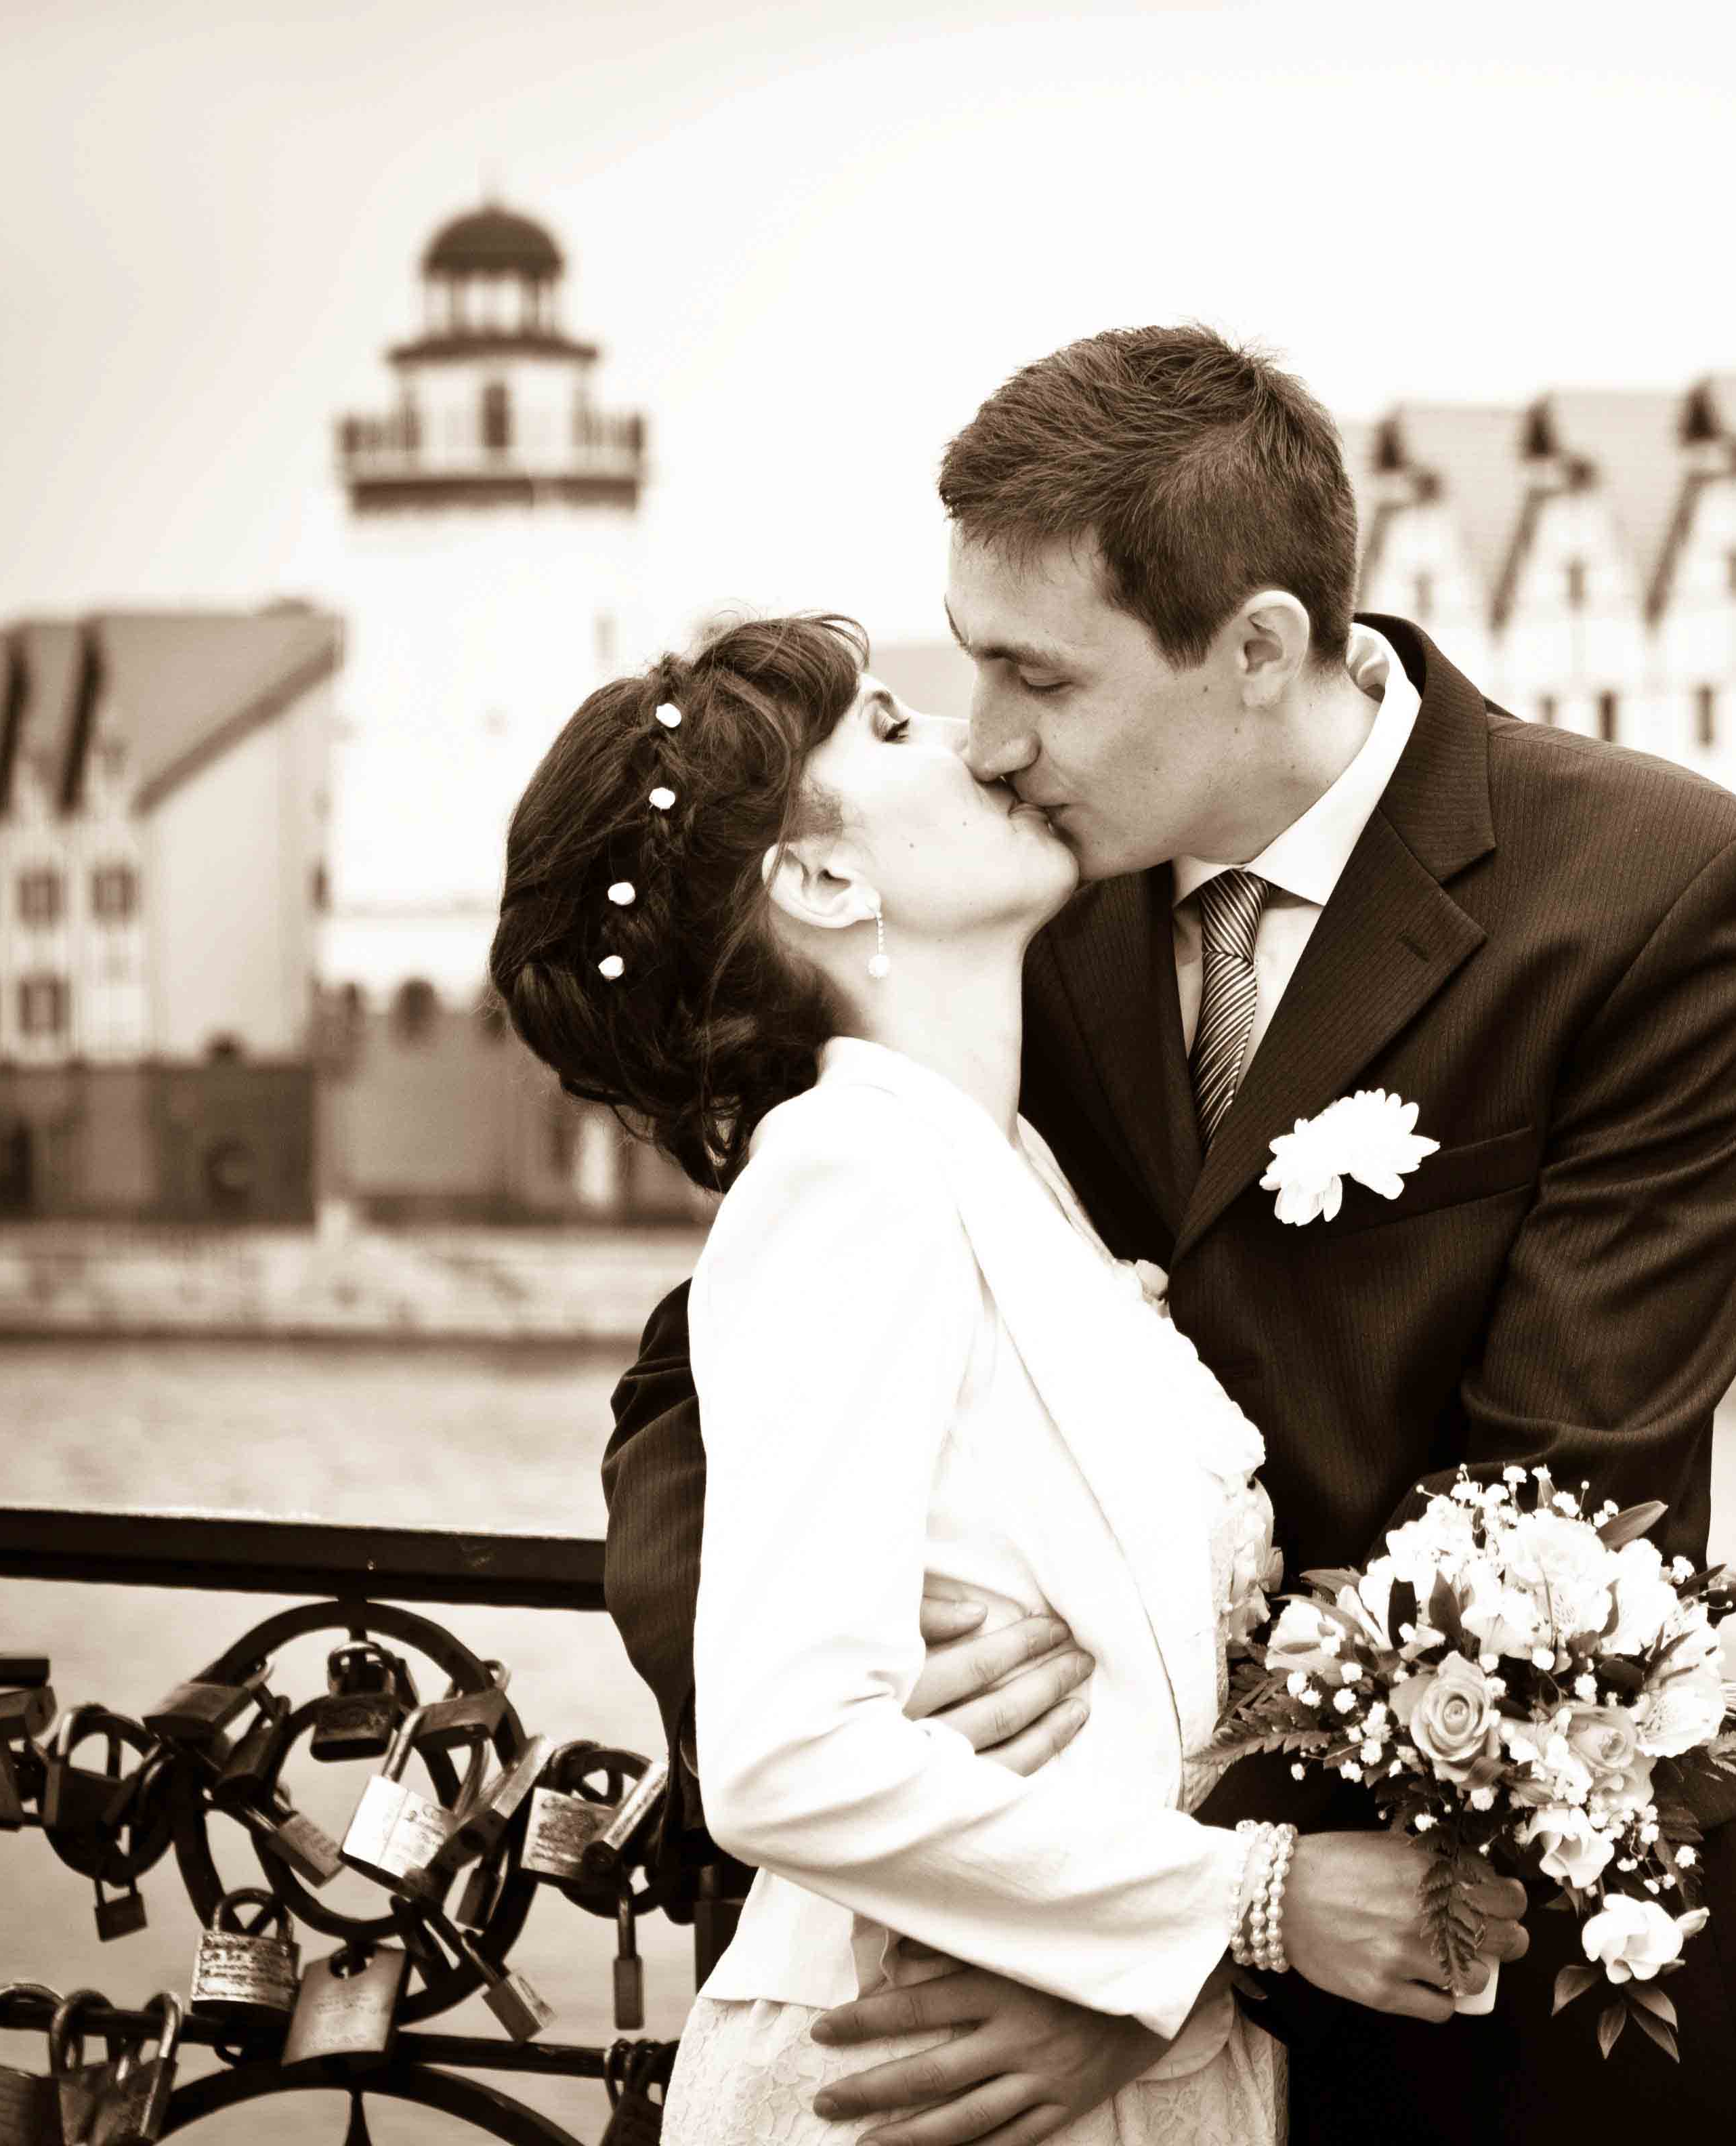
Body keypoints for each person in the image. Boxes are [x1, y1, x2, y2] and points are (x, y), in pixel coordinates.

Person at [604, 327, 1736, 2144]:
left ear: (1255, 647)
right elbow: (694, 1397)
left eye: (1039, 676)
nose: (992, 741)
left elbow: (1570, 1497)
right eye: (969, 666)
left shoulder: (1656, 894)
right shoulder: (1001, 906)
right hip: (1049, 1980)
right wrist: (873, 1713)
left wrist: (1166, 1942)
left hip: (1475, 1996)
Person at [492, 616, 1531, 2145]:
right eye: (894, 729)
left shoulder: (1006, 1167)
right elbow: (783, 1758)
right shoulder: (854, 1176)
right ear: (822, 880)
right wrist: (1254, 1896)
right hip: (920, 2062)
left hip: (1128, 2051)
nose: (978, 741)